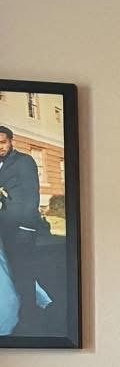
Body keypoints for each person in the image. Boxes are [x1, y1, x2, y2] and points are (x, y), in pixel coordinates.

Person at [0, 125, 43, 331]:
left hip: (20, 230)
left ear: (11, 141)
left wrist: (27, 228)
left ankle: (29, 316)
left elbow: (32, 196)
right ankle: (15, 309)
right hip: (3, 230)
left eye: (2, 142)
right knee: (9, 273)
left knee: (23, 272)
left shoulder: (24, 161)